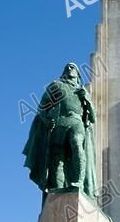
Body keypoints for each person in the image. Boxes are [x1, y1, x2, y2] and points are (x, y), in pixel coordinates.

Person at [22, 62, 97, 200]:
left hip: (76, 122)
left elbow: (92, 118)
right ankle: (58, 191)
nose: (69, 68)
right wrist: (47, 121)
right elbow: (42, 110)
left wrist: (87, 100)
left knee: (77, 144)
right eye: (67, 67)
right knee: (58, 160)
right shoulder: (56, 86)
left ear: (78, 75)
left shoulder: (82, 91)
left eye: (73, 67)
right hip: (59, 125)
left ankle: (79, 182)